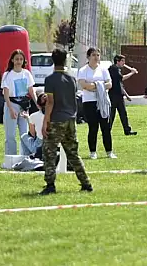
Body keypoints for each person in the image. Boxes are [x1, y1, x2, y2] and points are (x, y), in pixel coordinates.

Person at [40, 49, 93, 195]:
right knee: (73, 153)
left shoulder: (50, 79)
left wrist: (46, 121)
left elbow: (50, 102)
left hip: (56, 120)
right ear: (65, 61)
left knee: (49, 152)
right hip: (71, 119)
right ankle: (86, 182)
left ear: (52, 60)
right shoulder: (71, 79)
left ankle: (50, 185)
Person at [77, 47, 115, 159]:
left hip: (102, 102)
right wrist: (99, 85)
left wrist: (96, 86)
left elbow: (109, 84)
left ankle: (109, 151)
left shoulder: (103, 70)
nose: (96, 57)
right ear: (88, 57)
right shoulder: (83, 70)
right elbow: (84, 85)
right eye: (93, 55)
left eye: (97, 55)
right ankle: (93, 151)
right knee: (93, 127)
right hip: (89, 102)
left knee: (106, 127)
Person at [2, 50, 37, 156]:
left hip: (23, 105)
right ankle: (10, 156)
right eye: (16, 59)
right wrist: (11, 109)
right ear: (12, 60)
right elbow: (6, 93)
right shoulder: (8, 74)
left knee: (24, 133)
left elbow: (31, 90)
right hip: (11, 104)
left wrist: (37, 103)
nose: (18, 61)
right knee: (10, 134)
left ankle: (25, 156)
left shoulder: (26, 74)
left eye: (21, 59)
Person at [108, 55, 138, 136]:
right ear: (117, 61)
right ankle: (107, 130)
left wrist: (126, 95)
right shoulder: (113, 69)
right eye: (122, 61)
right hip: (113, 96)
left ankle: (127, 130)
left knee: (123, 114)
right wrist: (132, 72)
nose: (124, 63)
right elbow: (122, 78)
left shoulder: (118, 69)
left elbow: (120, 84)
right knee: (111, 114)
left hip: (119, 96)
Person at [22, 90, 46, 158]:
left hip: (40, 145)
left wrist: (28, 118)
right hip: (54, 143)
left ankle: (27, 158)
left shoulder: (34, 116)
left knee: (24, 136)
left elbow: (32, 134)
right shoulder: (56, 115)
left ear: (38, 105)